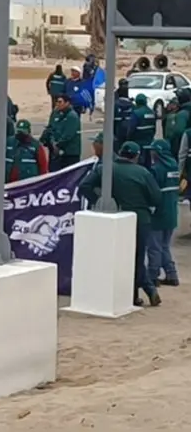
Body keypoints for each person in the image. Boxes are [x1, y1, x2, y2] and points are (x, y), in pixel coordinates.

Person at [78, 141, 162, 307]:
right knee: (137, 258)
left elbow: (84, 185)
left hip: (114, 217)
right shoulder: (143, 173)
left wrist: (99, 202)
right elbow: (156, 198)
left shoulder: (106, 169)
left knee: (117, 258)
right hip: (140, 219)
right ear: (136, 156)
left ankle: (139, 293)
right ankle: (143, 291)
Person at [147, 139, 180, 287]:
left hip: (158, 213)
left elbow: (152, 192)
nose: (151, 153)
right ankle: (171, 274)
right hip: (172, 212)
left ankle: (152, 276)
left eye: (153, 150)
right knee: (165, 245)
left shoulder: (156, 170)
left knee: (154, 246)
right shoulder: (174, 166)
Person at [43, 94, 81, 171]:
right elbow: (51, 127)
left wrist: (57, 145)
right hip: (55, 152)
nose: (57, 104)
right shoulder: (55, 113)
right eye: (56, 102)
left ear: (67, 103)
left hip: (69, 153)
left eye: (60, 102)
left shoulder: (72, 116)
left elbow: (68, 135)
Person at [128, 93, 157, 166]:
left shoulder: (136, 113)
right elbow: (154, 128)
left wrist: (128, 139)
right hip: (149, 142)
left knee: (139, 162)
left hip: (138, 142)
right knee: (148, 162)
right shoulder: (152, 112)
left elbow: (131, 129)